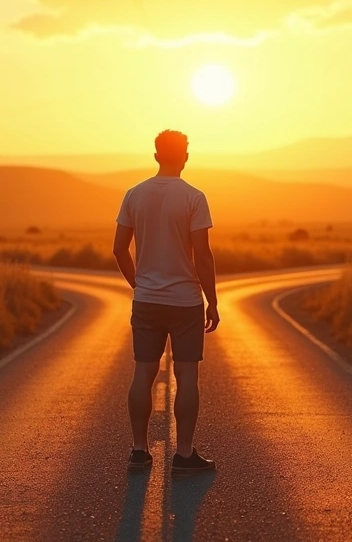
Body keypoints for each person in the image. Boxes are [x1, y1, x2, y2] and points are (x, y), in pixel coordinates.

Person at [112, 129, 219, 474]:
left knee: (144, 371)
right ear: (185, 156)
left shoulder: (134, 195)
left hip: (147, 300)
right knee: (187, 375)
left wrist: (138, 283)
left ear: (156, 156)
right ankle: (184, 455)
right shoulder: (194, 197)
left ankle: (139, 450)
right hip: (185, 301)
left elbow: (119, 249)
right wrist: (212, 301)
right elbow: (202, 255)